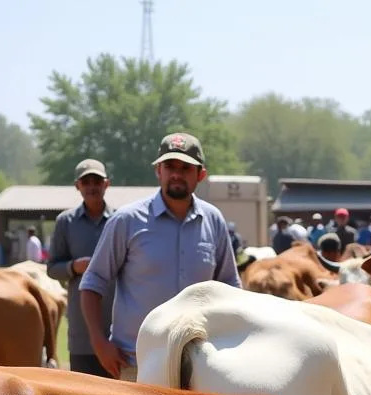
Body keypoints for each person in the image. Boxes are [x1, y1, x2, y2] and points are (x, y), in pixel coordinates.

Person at [80, 132, 240, 380]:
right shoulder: (126, 220)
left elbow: (230, 286)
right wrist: (99, 342)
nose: (176, 174)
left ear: (201, 175)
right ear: (158, 171)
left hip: (200, 366)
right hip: (137, 363)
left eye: (185, 167)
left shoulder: (213, 221)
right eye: (169, 166)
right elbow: (92, 283)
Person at [47, 158, 116, 377]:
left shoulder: (120, 221)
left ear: (107, 184)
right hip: (81, 328)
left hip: (118, 325)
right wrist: (73, 267)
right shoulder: (65, 222)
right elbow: (52, 268)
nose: (92, 187)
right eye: (86, 182)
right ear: (78, 186)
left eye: (97, 181)